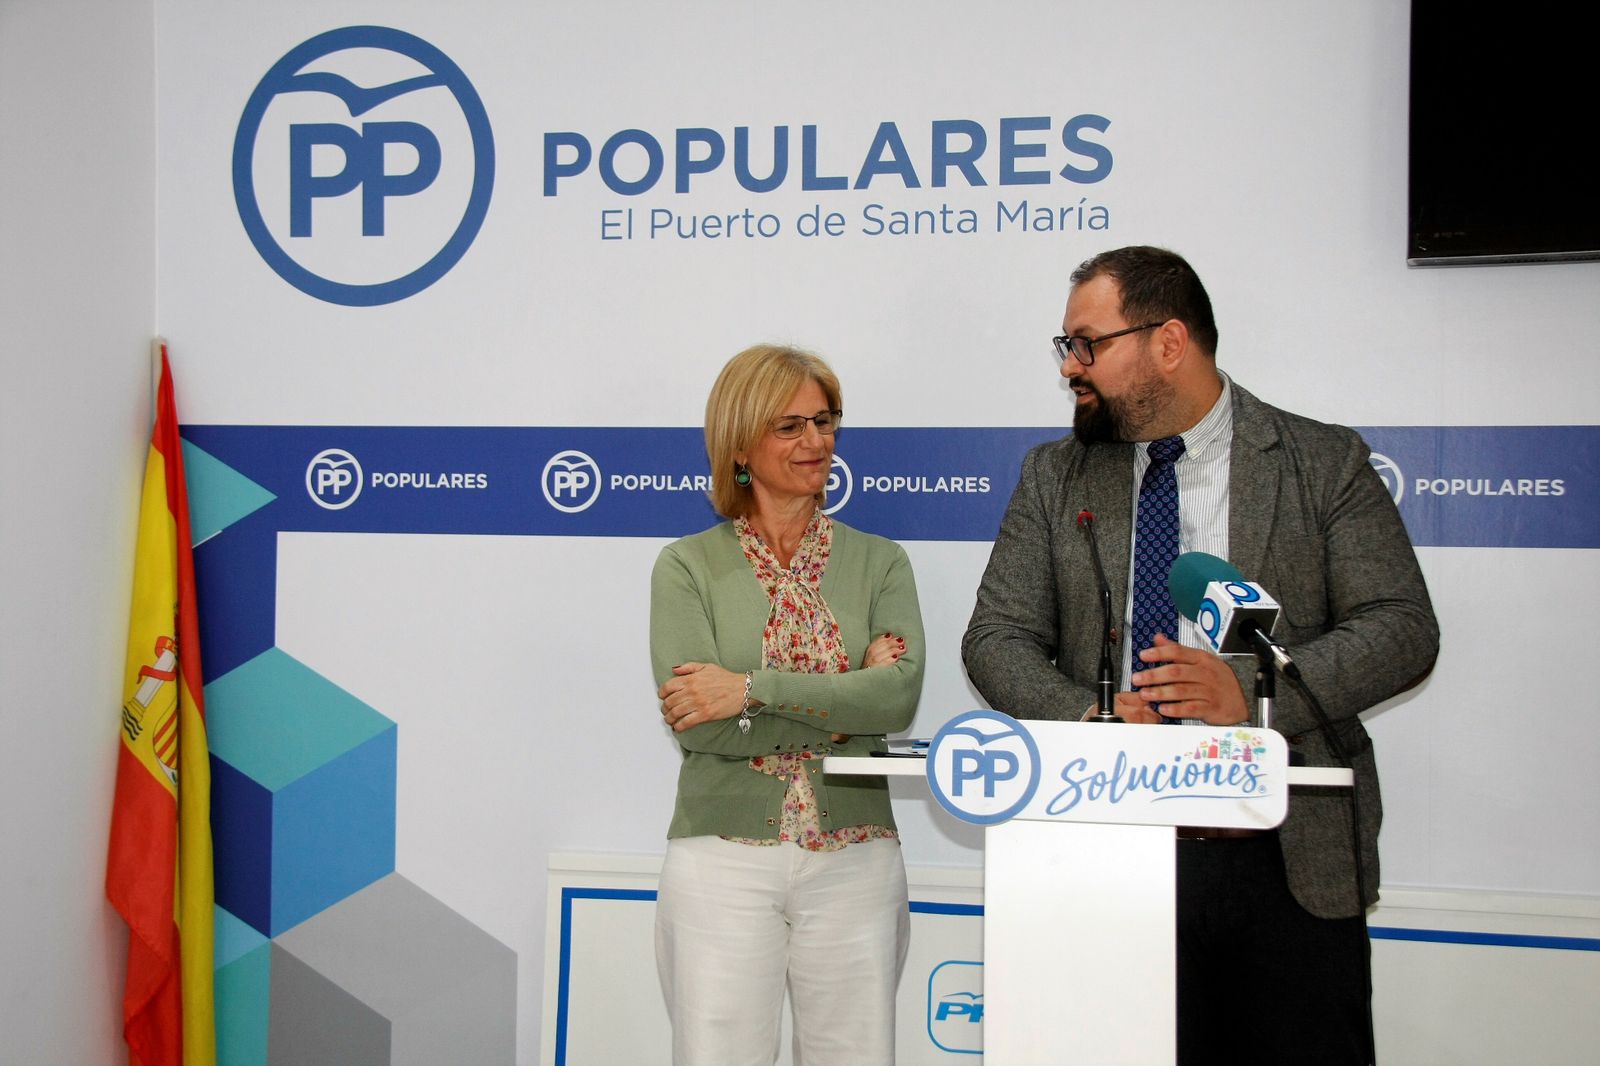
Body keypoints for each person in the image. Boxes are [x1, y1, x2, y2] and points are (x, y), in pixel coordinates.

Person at [962, 246, 1438, 1065]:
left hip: (1285, 860)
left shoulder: (1320, 462)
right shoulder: (1053, 476)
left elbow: (1401, 628)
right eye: (1067, 346)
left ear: (1169, 342)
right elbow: (995, 638)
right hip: (1109, 852)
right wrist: (1095, 713)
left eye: (1088, 344)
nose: (1071, 366)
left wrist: (1248, 691)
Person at [651, 343, 925, 1066]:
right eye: (790, 426)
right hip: (722, 858)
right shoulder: (686, 567)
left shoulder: (881, 562)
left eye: (825, 421)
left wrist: (750, 689)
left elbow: (896, 699)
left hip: (857, 856)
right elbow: (701, 728)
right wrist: (846, 696)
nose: (816, 441)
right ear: (741, 444)